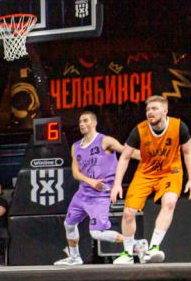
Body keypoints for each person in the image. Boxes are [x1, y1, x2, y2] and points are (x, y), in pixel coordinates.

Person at [111, 95, 191, 263]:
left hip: (171, 172)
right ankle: (128, 253)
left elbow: (188, 153)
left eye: (154, 108)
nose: (150, 112)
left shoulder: (179, 127)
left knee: (169, 203)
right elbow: (125, 157)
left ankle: (154, 247)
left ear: (165, 111)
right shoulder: (139, 130)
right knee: (128, 213)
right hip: (145, 173)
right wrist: (117, 184)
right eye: (148, 109)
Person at [55, 111, 144, 265]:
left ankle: (136, 244)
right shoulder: (75, 147)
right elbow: (76, 173)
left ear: (94, 123)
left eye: (85, 121)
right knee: (69, 225)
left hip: (100, 195)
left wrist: (152, 158)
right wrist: (90, 181)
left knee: (96, 233)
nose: (82, 124)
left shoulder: (105, 141)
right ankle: (75, 257)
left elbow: (128, 152)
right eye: (80, 121)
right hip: (82, 194)